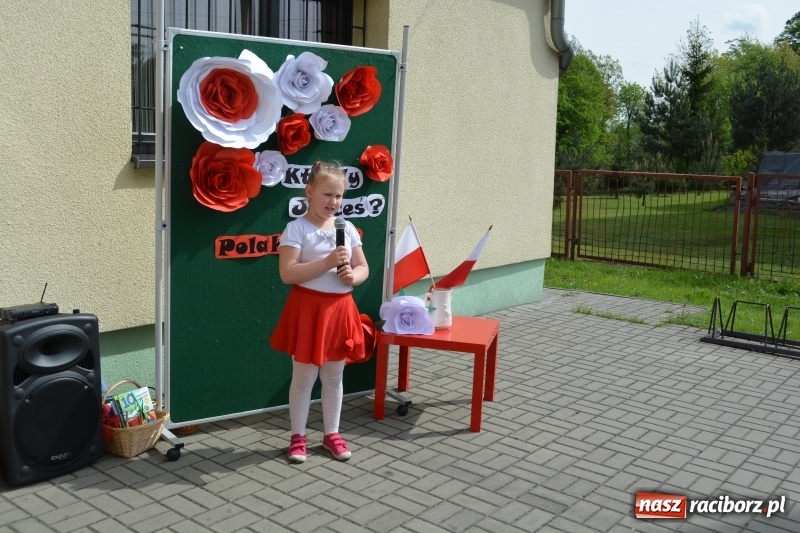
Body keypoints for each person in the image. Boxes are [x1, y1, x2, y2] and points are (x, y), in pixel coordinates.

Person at [270, 161, 369, 463]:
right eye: (327, 194)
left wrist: (353, 277)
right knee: (303, 378)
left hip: (340, 311)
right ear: (309, 191)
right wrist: (327, 263)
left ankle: (332, 434)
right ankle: (298, 437)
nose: (334, 202)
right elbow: (288, 273)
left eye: (339, 196)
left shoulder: (346, 228)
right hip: (308, 310)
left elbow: (363, 267)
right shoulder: (296, 228)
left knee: (334, 377)